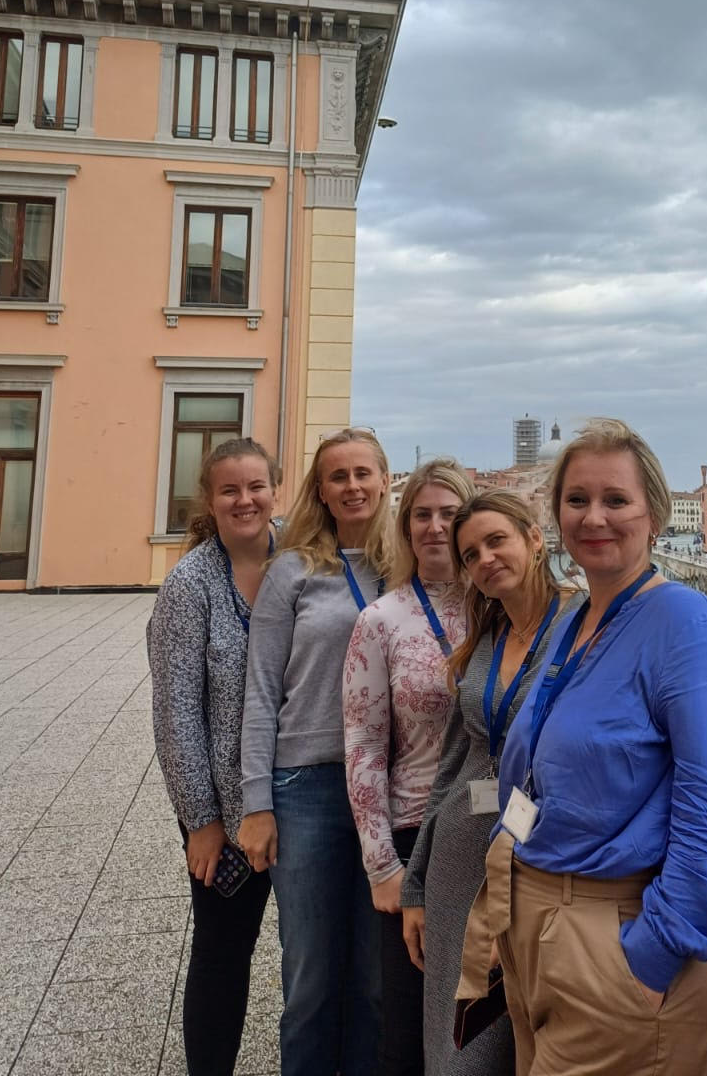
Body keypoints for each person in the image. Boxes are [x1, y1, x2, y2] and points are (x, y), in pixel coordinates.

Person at [459, 419, 707, 1076]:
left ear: (653, 514)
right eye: (577, 500)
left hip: (614, 948)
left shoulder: (690, 626)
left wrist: (647, 962)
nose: (593, 517)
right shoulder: (576, 619)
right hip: (538, 932)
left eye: (615, 500)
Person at [401, 491, 575, 1076]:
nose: (485, 560)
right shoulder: (488, 634)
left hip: (537, 863)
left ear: (534, 537)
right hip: (459, 863)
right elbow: (452, 765)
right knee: (455, 1047)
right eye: (471, 555)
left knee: (524, 1045)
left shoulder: (583, 623)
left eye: (496, 541)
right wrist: (416, 885)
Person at [238, 428, 390, 1076]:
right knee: (310, 977)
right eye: (338, 476)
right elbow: (260, 689)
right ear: (321, 491)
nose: (352, 486)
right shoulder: (293, 571)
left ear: (385, 480)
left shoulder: (406, 568)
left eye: (363, 473)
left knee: (376, 979)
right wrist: (255, 802)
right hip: (306, 786)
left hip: (386, 787)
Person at [148, 436, 280, 1076]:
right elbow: (175, 712)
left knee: (317, 949)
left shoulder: (302, 562)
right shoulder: (189, 586)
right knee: (224, 950)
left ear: (275, 490)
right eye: (230, 489)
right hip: (225, 811)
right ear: (209, 499)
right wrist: (200, 820)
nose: (244, 500)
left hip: (305, 794)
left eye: (256, 486)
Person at [342, 459, 473, 1076]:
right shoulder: (380, 621)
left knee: (486, 1022)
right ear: (405, 526)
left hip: (501, 834)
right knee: (409, 1023)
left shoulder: (504, 607)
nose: (435, 526)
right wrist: (382, 868)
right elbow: (363, 747)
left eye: (449, 513)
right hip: (416, 835)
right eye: (422, 514)